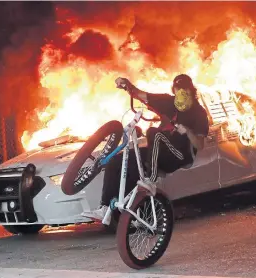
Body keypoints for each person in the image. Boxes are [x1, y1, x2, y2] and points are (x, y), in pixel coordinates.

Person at [81, 74, 209, 221]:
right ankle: (108, 210)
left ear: (192, 91)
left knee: (154, 132)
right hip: (157, 152)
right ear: (173, 90)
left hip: (179, 154)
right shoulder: (169, 102)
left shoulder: (198, 113)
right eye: (178, 89)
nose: (181, 93)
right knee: (118, 162)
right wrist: (127, 85)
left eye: (185, 90)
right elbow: (143, 96)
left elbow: (200, 144)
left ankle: (151, 180)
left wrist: (188, 131)